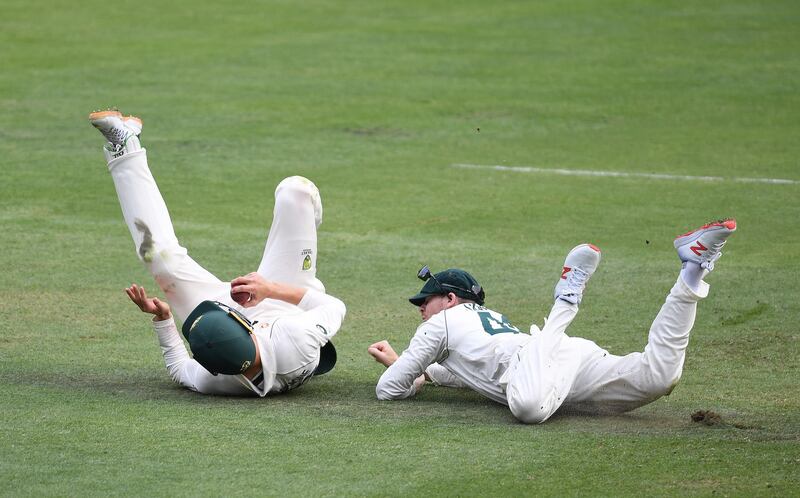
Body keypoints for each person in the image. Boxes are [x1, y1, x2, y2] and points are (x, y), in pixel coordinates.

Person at [368, 220, 737, 423]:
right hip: (562, 361)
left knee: (527, 408)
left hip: (536, 367)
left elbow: (387, 390)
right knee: (659, 376)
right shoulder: (482, 320)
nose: (421, 309)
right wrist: (414, 369)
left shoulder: (438, 325)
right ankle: (693, 269)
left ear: (450, 300)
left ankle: (566, 298)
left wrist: (404, 376)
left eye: (426, 300)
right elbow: (466, 371)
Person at [90, 109, 346, 396]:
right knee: (295, 190)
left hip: (262, 337)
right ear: (248, 328)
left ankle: (123, 146)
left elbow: (180, 369)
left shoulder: (217, 378)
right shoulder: (298, 337)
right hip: (288, 308)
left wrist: (163, 319)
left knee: (158, 257)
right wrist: (270, 288)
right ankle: (306, 230)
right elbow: (334, 306)